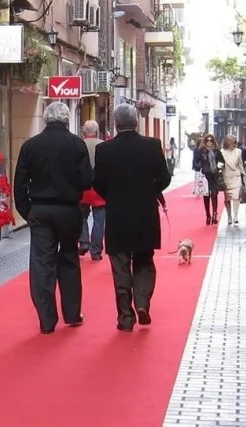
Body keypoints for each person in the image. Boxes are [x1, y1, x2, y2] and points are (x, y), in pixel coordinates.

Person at [13, 102, 93, 334]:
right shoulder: (76, 144)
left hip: (40, 209)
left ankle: (47, 319)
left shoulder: (31, 145)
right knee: (69, 259)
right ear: (66, 119)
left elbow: (20, 183)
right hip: (68, 209)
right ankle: (72, 313)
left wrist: (27, 211)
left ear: (46, 119)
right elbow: (87, 180)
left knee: (42, 263)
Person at [93, 103, 171, 332]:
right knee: (144, 261)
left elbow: (98, 182)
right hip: (145, 213)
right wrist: (150, 191)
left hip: (117, 215)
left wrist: (112, 196)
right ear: (136, 122)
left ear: (116, 124)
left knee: (120, 266)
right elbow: (164, 177)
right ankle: (142, 302)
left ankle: (125, 317)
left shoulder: (104, 150)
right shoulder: (152, 145)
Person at [79, 120, 106, 261]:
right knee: (99, 221)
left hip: (82, 188)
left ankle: (84, 241)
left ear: (84, 132)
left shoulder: (79, 144)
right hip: (99, 188)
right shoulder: (103, 145)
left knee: (81, 217)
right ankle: (96, 250)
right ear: (96, 131)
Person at [193, 134, 225, 225]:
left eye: (211, 140)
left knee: (214, 194)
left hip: (214, 175)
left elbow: (222, 161)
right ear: (205, 141)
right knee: (206, 196)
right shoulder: (201, 150)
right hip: (205, 176)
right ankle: (208, 215)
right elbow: (195, 162)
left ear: (213, 141)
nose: (209, 142)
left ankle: (214, 215)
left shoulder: (217, 150)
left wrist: (219, 165)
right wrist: (200, 167)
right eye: (207, 140)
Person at [220, 135, 246, 225]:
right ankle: (229, 216)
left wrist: (244, 177)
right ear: (227, 143)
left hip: (236, 176)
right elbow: (219, 165)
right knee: (227, 198)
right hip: (226, 176)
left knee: (236, 197)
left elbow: (241, 165)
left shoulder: (239, 151)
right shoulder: (221, 152)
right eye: (232, 142)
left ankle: (235, 216)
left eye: (235, 142)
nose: (234, 144)